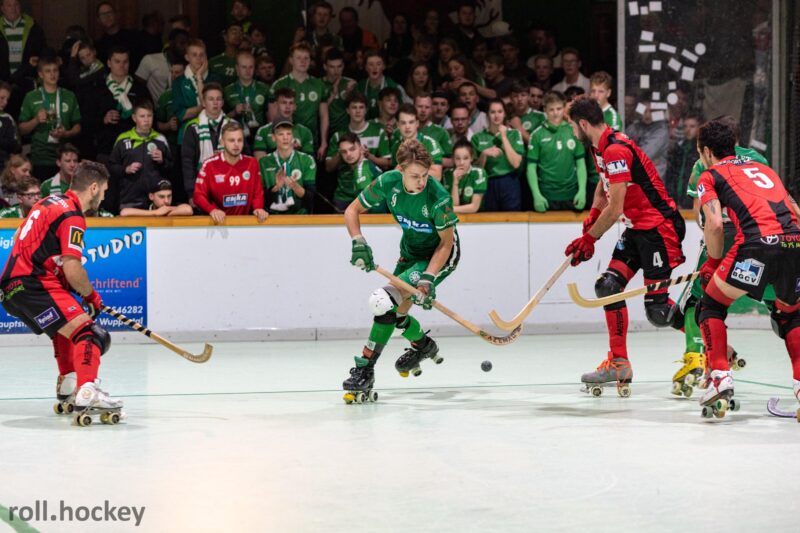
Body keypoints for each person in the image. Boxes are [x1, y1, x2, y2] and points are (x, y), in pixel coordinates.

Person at [565, 97, 686, 395]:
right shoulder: (599, 147)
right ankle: (619, 363)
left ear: (583, 124)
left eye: (572, 126)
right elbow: (604, 186)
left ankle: (711, 341)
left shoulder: (616, 150)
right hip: (636, 228)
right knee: (608, 287)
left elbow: (616, 206)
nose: (572, 132)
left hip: (659, 229)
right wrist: (592, 216)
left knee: (658, 311)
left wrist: (590, 238)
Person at [693, 119, 800, 414]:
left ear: (707, 151)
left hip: (755, 246)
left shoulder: (709, 176)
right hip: (794, 243)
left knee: (710, 305)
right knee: (791, 315)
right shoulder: (764, 169)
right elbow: (795, 212)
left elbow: (715, 224)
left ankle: (720, 379)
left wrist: (713, 263)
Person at [341, 139, 459, 400]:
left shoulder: (438, 198)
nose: (422, 181)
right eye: (415, 176)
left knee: (381, 301)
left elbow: (446, 244)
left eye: (425, 175)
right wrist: (358, 241)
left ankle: (365, 370)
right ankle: (423, 346)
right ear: (401, 169)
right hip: (411, 251)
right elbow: (352, 210)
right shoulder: (388, 182)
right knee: (395, 314)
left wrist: (427, 279)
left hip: (439, 256)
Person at [0, 161, 122, 413]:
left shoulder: (47, 202)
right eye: (104, 191)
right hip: (34, 283)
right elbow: (72, 267)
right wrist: (91, 295)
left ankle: (68, 385)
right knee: (92, 334)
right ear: (93, 188)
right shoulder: (73, 216)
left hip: (11, 288)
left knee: (64, 329)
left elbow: (18, 236)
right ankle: (87, 390)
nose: (104, 196)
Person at [673, 116, 770, 395]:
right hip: (761, 239)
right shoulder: (757, 159)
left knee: (698, 303)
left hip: (725, 238)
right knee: (785, 308)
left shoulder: (703, 163)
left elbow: (702, 216)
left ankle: (702, 361)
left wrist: (713, 253)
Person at [18, 56, 81, 181]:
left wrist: (66, 133)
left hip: (65, 157)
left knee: (64, 193)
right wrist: (36, 120)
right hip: (40, 157)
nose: (52, 74)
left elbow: (78, 126)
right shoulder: (31, 97)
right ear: (40, 74)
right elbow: (21, 129)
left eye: (55, 70)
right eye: (48, 71)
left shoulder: (69, 95)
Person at [85, 46, 150, 163]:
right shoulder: (97, 88)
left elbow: (151, 117)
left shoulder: (140, 88)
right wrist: (104, 119)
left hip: (134, 148)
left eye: (125, 62)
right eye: (117, 61)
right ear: (109, 63)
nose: (121, 65)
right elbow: (87, 121)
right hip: (106, 149)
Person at [193, 121, 267, 224]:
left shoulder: (252, 163)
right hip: (218, 223)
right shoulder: (209, 165)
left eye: (239, 140)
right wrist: (212, 210)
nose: (236, 144)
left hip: (244, 223)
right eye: (231, 140)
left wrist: (258, 208)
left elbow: (258, 192)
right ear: (222, 142)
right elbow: (198, 195)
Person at [527, 91, 587, 212]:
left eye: (559, 109)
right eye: (551, 109)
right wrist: (536, 195)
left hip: (572, 195)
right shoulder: (537, 134)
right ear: (545, 109)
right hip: (545, 196)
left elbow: (581, 164)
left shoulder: (574, 131)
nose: (555, 113)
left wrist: (582, 191)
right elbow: (531, 168)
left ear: (564, 108)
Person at [108, 100, 172, 211]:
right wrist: (125, 169)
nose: (146, 120)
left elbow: (172, 167)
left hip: (156, 200)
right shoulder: (123, 139)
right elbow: (111, 166)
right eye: (142, 116)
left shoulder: (160, 139)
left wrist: (162, 161)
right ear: (134, 118)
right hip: (129, 198)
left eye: (149, 116)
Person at [269, 43, 329, 159]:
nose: (303, 61)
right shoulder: (279, 85)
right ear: (291, 60)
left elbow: (324, 116)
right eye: (299, 58)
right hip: (286, 141)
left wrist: (324, 142)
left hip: (312, 141)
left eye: (306, 58)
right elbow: (272, 117)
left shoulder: (319, 84)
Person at [471, 99, 524, 212]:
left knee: (513, 219)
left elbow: (516, 163)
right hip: (487, 182)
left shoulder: (514, 134)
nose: (496, 116)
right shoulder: (477, 137)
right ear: (487, 115)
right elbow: (475, 170)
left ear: (504, 114)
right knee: (489, 220)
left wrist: (504, 137)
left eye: (500, 111)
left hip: (509, 181)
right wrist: (484, 155)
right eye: (493, 112)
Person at [182, 83, 232, 201]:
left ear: (222, 102)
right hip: (202, 186)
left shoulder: (233, 126)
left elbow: (243, 157)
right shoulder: (192, 127)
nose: (215, 103)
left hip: (230, 185)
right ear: (203, 103)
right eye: (211, 99)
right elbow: (187, 163)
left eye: (218, 99)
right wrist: (191, 193)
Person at [259, 118, 316, 214]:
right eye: (280, 134)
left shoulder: (306, 160)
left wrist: (294, 186)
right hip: (272, 216)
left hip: (299, 216)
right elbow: (261, 197)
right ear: (273, 137)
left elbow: (311, 198)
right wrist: (277, 187)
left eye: (289, 134)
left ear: (293, 136)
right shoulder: (264, 162)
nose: (285, 138)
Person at [326, 91, 390, 172]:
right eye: (354, 107)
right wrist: (341, 153)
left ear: (366, 110)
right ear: (347, 110)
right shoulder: (338, 135)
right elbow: (328, 168)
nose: (358, 111)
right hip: (345, 180)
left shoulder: (378, 132)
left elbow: (387, 164)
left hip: (370, 179)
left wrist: (369, 156)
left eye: (361, 107)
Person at [0, 0, 45, 115]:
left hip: (26, 84)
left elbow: (42, 53)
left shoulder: (33, 27)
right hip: (2, 85)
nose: (13, 8)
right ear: (2, 8)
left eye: (16, 5)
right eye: (9, 5)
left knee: (27, 117)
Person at [174, 39, 220, 141]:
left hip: (212, 134)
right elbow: (181, 114)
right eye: (194, 55)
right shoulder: (178, 82)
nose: (199, 58)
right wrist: (203, 107)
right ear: (187, 57)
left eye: (202, 55)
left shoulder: (215, 79)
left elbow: (217, 109)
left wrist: (199, 77)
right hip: (187, 136)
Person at [253, 87, 314, 159]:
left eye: (291, 103)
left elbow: (309, 162)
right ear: (276, 105)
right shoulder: (263, 131)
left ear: (295, 106)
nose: (287, 107)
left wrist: (295, 151)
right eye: (284, 103)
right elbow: (260, 161)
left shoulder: (305, 132)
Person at [224, 50, 269, 142]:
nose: (248, 71)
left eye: (251, 67)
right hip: (235, 138)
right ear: (237, 68)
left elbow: (270, 116)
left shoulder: (264, 88)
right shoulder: (227, 90)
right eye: (244, 67)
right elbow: (221, 118)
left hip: (260, 137)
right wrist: (234, 112)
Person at [332, 132, 383, 212]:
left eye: (352, 149)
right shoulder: (367, 165)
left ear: (361, 148)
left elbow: (365, 205)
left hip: (374, 218)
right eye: (344, 152)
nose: (348, 154)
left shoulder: (362, 169)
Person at [390, 104, 443, 180]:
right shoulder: (396, 146)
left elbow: (437, 175)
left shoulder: (430, 143)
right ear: (398, 125)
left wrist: (408, 170)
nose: (407, 126)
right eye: (403, 123)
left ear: (417, 123)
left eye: (411, 122)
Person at [136, 28, 189, 103]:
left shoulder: (188, 64)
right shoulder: (150, 59)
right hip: (155, 106)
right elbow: (139, 86)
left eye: (188, 44)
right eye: (182, 43)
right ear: (171, 43)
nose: (185, 47)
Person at [356, 50, 407, 120]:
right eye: (371, 64)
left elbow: (403, 113)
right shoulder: (360, 86)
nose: (375, 68)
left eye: (378, 64)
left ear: (384, 66)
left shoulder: (394, 87)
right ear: (366, 67)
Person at [665, 113, 700, 208]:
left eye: (692, 126)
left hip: (693, 202)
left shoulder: (702, 151)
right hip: (675, 200)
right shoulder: (678, 149)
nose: (688, 130)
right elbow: (671, 176)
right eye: (685, 126)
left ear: (699, 128)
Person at [627, 103, 669, 178]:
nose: (647, 115)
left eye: (652, 111)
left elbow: (644, 154)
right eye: (644, 111)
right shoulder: (635, 127)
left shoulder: (661, 130)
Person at [443, 140, 486, 213]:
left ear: (471, 158)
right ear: (453, 159)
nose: (461, 163)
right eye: (458, 158)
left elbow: (474, 207)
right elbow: (454, 205)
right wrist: (455, 183)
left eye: (465, 158)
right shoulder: (447, 174)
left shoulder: (479, 173)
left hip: (478, 217)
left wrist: (450, 209)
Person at [94, 2, 141, 70]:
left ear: (115, 15)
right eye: (103, 14)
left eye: (109, 12)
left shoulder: (132, 36)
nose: (107, 16)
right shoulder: (98, 45)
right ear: (98, 20)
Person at [322, 48, 357, 137]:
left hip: (346, 133)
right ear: (325, 67)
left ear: (343, 66)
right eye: (332, 67)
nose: (336, 71)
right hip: (324, 132)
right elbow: (316, 112)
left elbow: (358, 110)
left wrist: (349, 94)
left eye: (339, 66)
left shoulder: (350, 83)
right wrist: (333, 94)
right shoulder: (318, 84)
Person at [120, 178, 192, 216]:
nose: (166, 201)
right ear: (151, 196)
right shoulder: (145, 206)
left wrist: (165, 212)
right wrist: (156, 213)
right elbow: (124, 212)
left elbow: (188, 209)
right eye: (161, 197)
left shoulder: (172, 206)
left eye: (169, 196)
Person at [509, 80, 545, 145]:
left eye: (523, 95)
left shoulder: (541, 116)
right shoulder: (506, 118)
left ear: (528, 97)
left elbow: (540, 145)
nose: (519, 99)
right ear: (511, 99)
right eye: (515, 96)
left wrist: (519, 128)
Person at [209, 23, 243, 88]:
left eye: (240, 33)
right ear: (225, 36)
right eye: (234, 32)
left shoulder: (247, 61)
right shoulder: (213, 62)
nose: (238, 35)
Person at [0, 80, 20, 168]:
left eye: (7, 99)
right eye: (2, 98)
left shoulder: (7, 118)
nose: (5, 102)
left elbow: (15, 146)